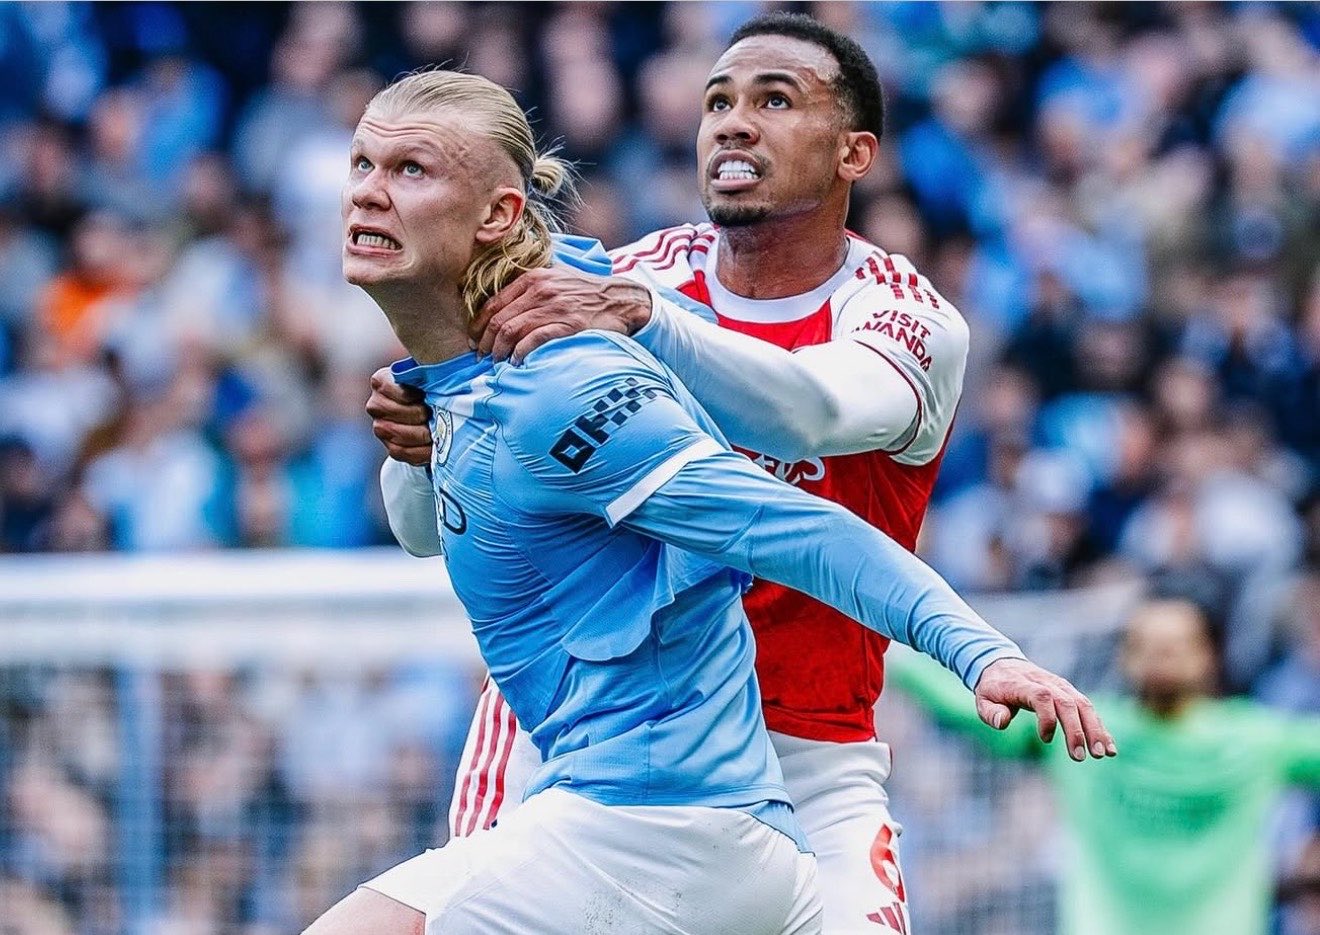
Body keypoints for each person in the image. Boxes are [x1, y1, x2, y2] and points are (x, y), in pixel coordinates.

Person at [315, 68, 1114, 935]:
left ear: (856, 152)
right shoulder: (565, 308)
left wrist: (982, 652)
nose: (369, 192)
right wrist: (419, 438)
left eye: (409, 169)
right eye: (362, 164)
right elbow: (430, 527)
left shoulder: (591, 357)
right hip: (625, 783)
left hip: (707, 798)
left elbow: (805, 467)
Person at [887, 597, 1320, 935]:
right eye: (1149, 644)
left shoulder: (1085, 726)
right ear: (1126, 656)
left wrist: (894, 656)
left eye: (1175, 645)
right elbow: (982, 712)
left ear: (1208, 655)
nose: (1162, 655)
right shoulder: (1085, 724)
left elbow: (972, 710)